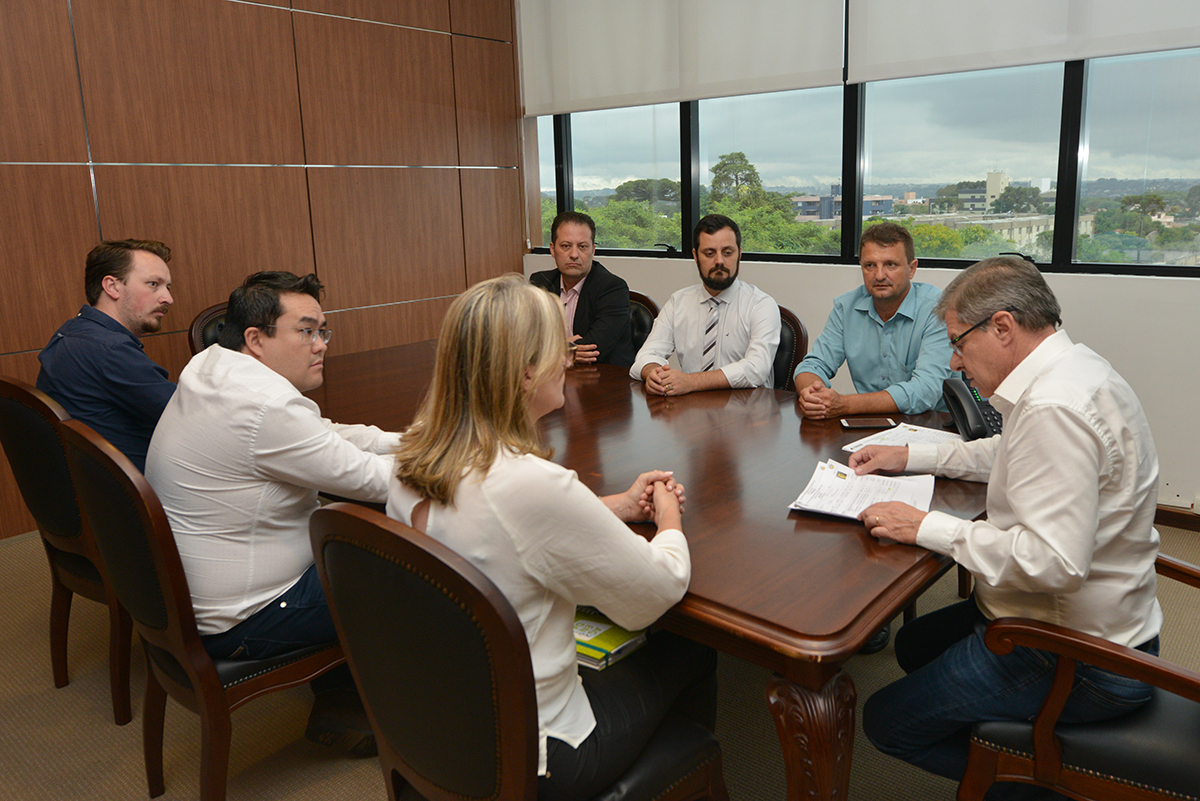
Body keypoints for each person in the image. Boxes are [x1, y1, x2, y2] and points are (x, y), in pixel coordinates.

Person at [387, 275, 718, 799]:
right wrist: (670, 517)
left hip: (439, 721)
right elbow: (655, 593)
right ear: (524, 372)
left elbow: (499, 531)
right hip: (538, 750)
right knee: (691, 648)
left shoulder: (414, 459)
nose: (567, 359)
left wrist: (619, 506)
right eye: (557, 349)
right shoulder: (530, 484)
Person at [850, 256, 1162, 800]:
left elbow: (1054, 563)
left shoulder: (1054, 408)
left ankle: (1042, 779)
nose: (953, 360)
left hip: (1075, 653)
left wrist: (928, 526)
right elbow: (1010, 452)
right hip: (1103, 620)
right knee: (916, 643)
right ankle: (1006, 739)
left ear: (1001, 327)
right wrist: (911, 454)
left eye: (957, 342)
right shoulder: (1072, 369)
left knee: (885, 721)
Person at [145, 271, 399, 755]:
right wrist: (458, 456)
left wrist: (408, 442)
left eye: (323, 330)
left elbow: (321, 434)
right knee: (423, 571)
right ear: (256, 339)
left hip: (193, 593)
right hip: (247, 617)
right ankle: (402, 717)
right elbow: (370, 480)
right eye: (306, 331)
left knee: (361, 538)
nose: (320, 345)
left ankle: (345, 697)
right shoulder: (267, 405)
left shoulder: (212, 366)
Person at [37, 239, 176, 472]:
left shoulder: (72, 332)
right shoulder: (109, 350)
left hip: (93, 490)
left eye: (168, 287)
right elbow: (190, 420)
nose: (168, 298)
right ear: (112, 287)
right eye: (154, 284)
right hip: (141, 493)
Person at [794, 222, 953, 420]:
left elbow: (925, 391)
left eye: (890, 265)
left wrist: (845, 404)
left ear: (912, 269)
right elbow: (813, 365)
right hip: (869, 423)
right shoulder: (846, 308)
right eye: (870, 266)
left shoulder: (937, 309)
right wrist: (813, 395)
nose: (879, 275)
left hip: (933, 425)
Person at [631, 214, 780, 395]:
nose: (719, 261)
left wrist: (691, 382)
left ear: (740, 253)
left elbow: (756, 369)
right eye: (709, 253)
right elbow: (646, 355)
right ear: (695, 256)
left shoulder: (761, 305)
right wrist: (652, 373)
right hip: (691, 411)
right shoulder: (679, 302)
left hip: (748, 413)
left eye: (727, 253)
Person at [530, 211, 635, 367]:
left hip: (604, 380)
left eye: (582, 247)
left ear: (593, 250)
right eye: (566, 246)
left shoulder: (612, 288)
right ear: (552, 249)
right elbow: (524, 339)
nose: (574, 254)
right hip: (553, 376)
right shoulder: (540, 283)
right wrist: (563, 349)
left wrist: (546, 349)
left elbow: (594, 349)